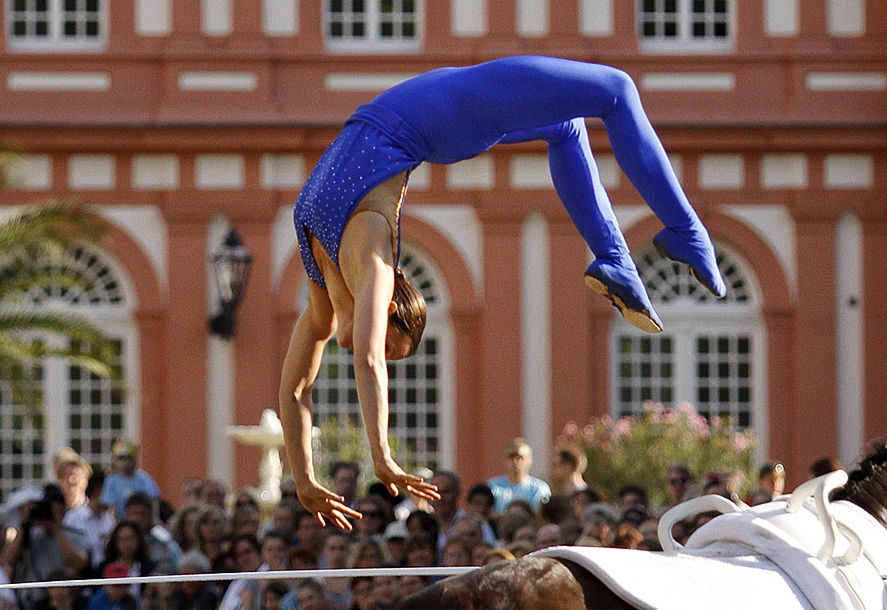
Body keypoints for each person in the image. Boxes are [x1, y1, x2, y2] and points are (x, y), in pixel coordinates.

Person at [279, 56, 726, 527]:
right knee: (592, 108)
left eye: (390, 350)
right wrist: (336, 469)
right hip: (439, 115)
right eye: (392, 356)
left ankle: (660, 241)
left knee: (599, 103)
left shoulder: (354, 275)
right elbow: (315, 379)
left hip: (448, 108)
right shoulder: (336, 281)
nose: (381, 359)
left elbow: (333, 373)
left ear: (390, 307)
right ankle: (644, 246)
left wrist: (352, 466)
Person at [101, 439, 161, 520]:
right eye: (121, 459)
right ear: (114, 461)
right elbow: (110, 507)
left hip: (143, 521)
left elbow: (153, 501)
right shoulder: (111, 480)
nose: (125, 463)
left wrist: (154, 519)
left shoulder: (144, 478)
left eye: (128, 459)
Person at [487, 439, 552, 513]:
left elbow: (540, 515)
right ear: (504, 459)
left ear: (529, 461)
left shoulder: (539, 488)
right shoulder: (492, 486)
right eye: (511, 456)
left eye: (519, 457)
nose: (515, 461)